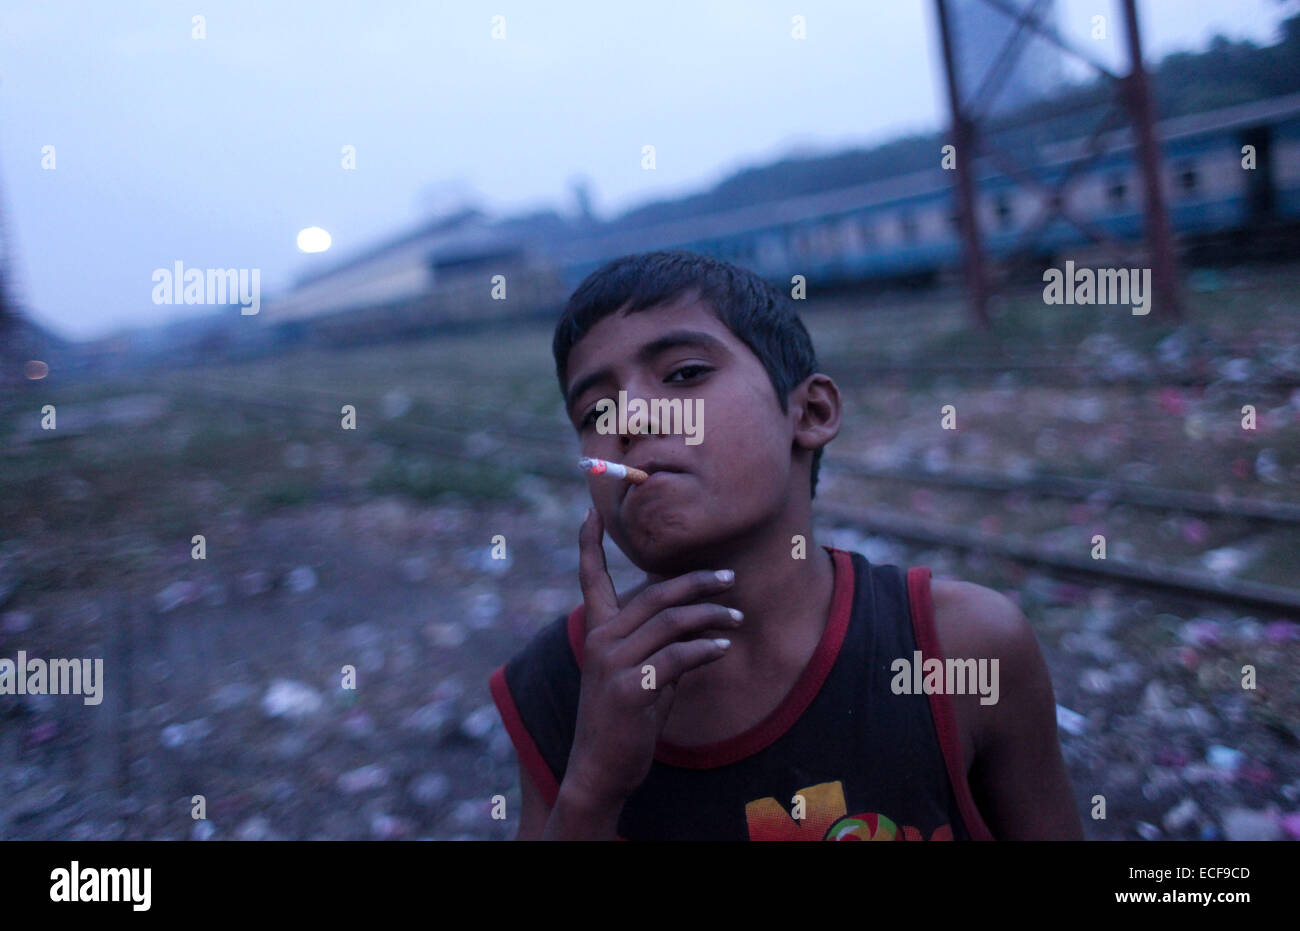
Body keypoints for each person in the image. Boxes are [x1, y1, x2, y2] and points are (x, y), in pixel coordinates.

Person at [488, 250, 1083, 840]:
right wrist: (591, 788)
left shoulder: (960, 646)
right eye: (595, 410)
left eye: (685, 374)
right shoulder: (560, 685)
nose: (631, 419)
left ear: (811, 411)